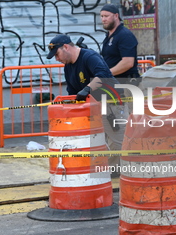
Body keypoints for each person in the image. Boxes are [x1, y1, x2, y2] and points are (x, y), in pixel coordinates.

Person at [46, 34, 128, 170]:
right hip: (94, 107)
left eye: (57, 54)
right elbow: (72, 91)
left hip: (112, 104)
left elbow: (103, 75)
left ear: (66, 47)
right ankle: (114, 169)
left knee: (119, 140)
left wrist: (87, 89)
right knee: (102, 141)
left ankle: (133, 171)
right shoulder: (68, 67)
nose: (57, 58)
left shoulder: (89, 57)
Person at [100, 4, 140, 82]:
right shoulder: (109, 36)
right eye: (102, 16)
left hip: (128, 83)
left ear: (116, 16)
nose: (103, 19)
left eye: (106, 16)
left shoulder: (125, 35)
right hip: (114, 82)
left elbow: (128, 62)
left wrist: (106, 74)